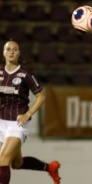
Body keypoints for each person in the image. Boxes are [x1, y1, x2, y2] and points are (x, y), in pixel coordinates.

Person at [0, 40, 61, 184]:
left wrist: (28, 114)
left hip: (18, 123)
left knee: (3, 159)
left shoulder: (25, 74)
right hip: (1, 121)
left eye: (15, 49)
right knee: (16, 163)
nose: (12, 52)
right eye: (8, 49)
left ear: (19, 53)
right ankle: (50, 168)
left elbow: (41, 96)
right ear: (3, 52)